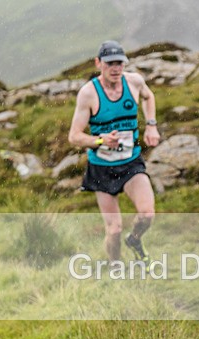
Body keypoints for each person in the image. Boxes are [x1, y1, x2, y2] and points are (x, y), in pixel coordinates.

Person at [68, 40, 160, 264]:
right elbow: (74, 137)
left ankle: (135, 239)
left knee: (147, 214)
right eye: (110, 63)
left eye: (120, 62)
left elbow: (149, 97)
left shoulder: (135, 82)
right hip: (101, 168)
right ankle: (116, 267)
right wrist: (100, 140)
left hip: (131, 162)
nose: (116, 68)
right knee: (114, 229)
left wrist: (151, 124)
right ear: (98, 63)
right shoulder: (88, 94)